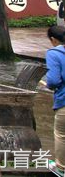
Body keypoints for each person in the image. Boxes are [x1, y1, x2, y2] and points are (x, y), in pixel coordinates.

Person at [45, 25, 65, 172]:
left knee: (61, 135)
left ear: (53, 39)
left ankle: (61, 168)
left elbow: (52, 80)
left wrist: (50, 85)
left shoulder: (54, 53)